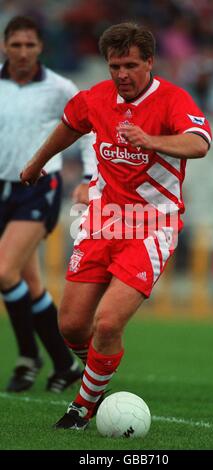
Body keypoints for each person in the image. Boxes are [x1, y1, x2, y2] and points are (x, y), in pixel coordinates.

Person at [20, 22, 212, 428]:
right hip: (101, 221)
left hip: (152, 225)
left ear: (149, 62)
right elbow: (70, 126)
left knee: (106, 323)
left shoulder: (173, 100)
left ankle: (81, 406)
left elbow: (199, 143)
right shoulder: (96, 98)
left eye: (129, 65)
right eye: (114, 66)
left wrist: (152, 140)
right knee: (71, 325)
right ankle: (98, 377)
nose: (121, 74)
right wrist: (36, 164)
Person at [0, 15, 96, 393]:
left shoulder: (60, 88)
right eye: (16, 44)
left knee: (5, 272)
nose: (23, 52)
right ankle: (63, 364)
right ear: (5, 45)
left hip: (38, 188)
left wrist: (90, 178)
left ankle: (28, 357)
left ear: (41, 47)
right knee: (30, 284)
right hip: (2, 190)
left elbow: (90, 129)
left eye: (30, 45)